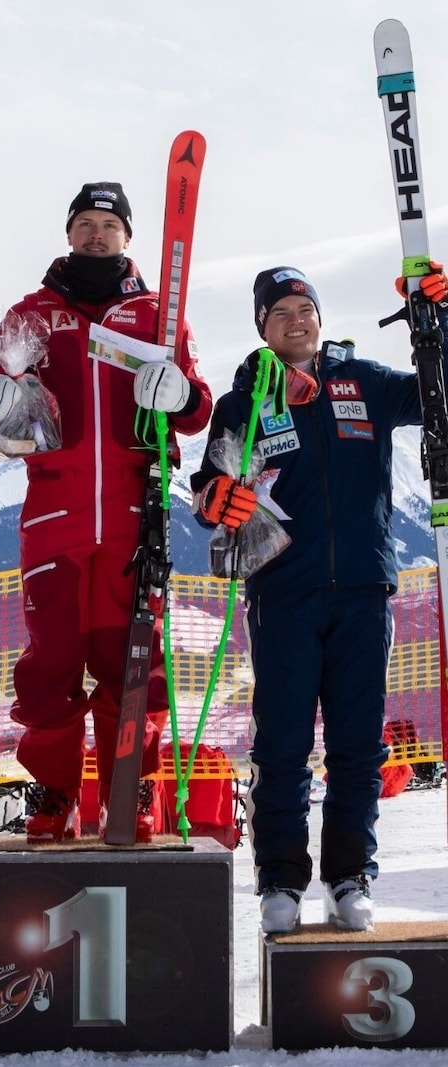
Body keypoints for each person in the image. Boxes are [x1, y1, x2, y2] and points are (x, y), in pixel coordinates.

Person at [190, 263, 448, 932]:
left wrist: (438, 321)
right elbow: (206, 493)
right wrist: (217, 498)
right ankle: (280, 879)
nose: (296, 319)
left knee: (360, 749)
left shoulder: (362, 382)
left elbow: (437, 395)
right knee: (281, 748)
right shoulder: (245, 401)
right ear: (263, 329)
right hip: (283, 597)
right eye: (281, 312)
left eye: (305, 307)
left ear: (321, 318)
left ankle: (349, 877)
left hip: (363, 591)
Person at [0, 181, 212, 844]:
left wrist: (180, 394)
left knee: (133, 662)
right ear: (69, 232)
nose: (95, 234)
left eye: (108, 224)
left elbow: (197, 414)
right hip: (55, 517)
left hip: (136, 518)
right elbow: (0, 417)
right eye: (84, 222)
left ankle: (127, 790)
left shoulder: (160, 315)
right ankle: (54, 794)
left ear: (128, 238)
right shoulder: (30, 314)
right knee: (49, 664)